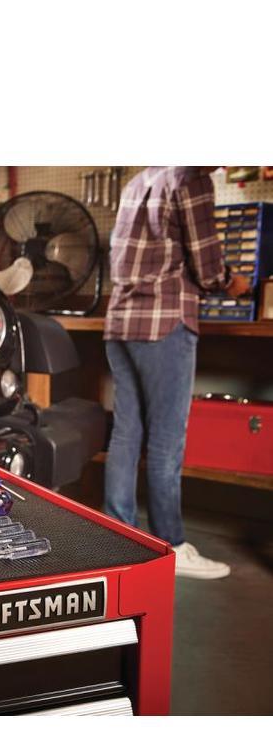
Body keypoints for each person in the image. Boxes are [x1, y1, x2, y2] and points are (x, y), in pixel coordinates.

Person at [104, 166, 250, 579]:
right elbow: (208, 266)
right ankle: (170, 545)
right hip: (164, 323)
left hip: (120, 323)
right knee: (167, 441)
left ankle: (117, 538)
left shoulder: (138, 181)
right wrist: (232, 282)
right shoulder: (191, 177)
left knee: (126, 434)